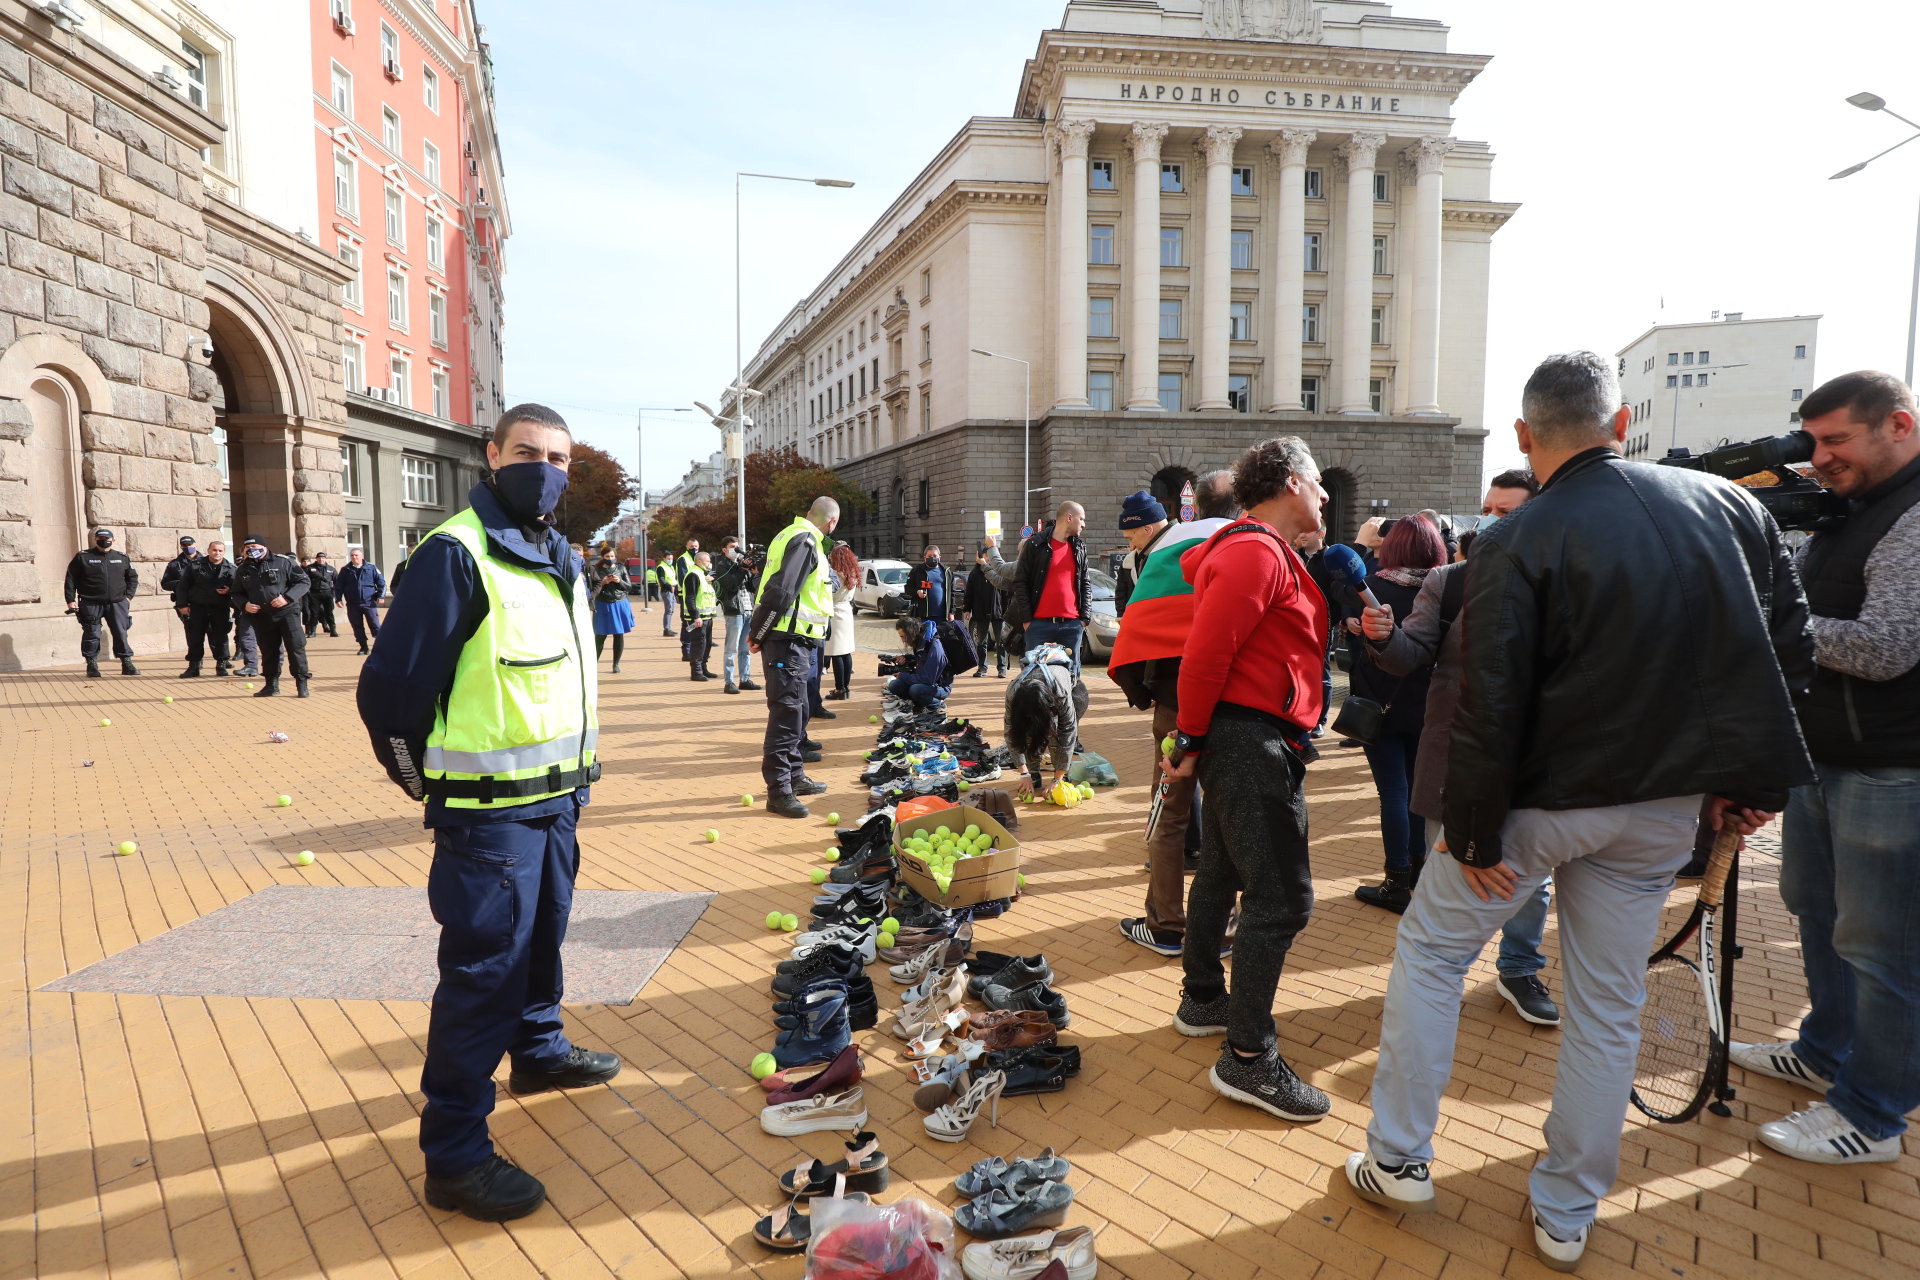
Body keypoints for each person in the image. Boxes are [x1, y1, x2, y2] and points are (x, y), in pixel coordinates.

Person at [1344, 352, 1814, 1272]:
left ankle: (1399, 1155)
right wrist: (1750, 786)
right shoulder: (1729, 509)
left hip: (1541, 802)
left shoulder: (1519, 537)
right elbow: (1780, 653)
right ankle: (1567, 1208)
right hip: (1661, 805)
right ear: (1624, 420)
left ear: (1526, 436)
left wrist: (1475, 831)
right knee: (1609, 1002)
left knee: (1435, 955)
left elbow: (1492, 698)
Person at [356, 403, 617, 1223]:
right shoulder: (456, 555)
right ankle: (456, 1155)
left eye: (560, 458)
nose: (546, 469)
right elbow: (391, 695)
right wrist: (425, 785)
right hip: (490, 819)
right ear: (491, 455)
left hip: (557, 802)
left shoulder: (557, 555)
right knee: (482, 978)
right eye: (529, 453)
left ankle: (537, 1050)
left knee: (543, 938)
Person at [1728, 370, 1920, 1166]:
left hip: (1891, 768)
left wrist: (1773, 622)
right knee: (1815, 909)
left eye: (1836, 440)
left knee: (1883, 947)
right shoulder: (1853, 510)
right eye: (1813, 441)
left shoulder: (1911, 516)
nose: (1819, 458)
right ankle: (1823, 1047)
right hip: (1825, 756)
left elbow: (1884, 647)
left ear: (1899, 426)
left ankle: (1872, 1113)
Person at [1158, 437, 1330, 1123]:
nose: (1324, 497)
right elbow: (1206, 654)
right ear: (1292, 482)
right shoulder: (1256, 550)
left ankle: (1204, 997)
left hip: (1242, 734)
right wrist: (1192, 738)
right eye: (1319, 485)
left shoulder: (1260, 551)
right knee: (1283, 899)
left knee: (1226, 871)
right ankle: (1249, 1058)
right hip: (1248, 737)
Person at [1357, 470, 1561, 1026]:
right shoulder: (1449, 580)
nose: (1494, 523)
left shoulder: (1564, 580)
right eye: (1488, 511)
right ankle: (1430, 972)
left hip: (1535, 764)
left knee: (1531, 883)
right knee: (1441, 876)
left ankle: (1519, 966)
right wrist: (1382, 636)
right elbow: (1410, 653)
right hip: (1452, 760)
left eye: (1509, 512)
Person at [1109, 479, 1239, 957]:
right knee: (1227, 817)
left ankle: (1165, 923)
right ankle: (1224, 927)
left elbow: (1138, 625)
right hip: (1237, 708)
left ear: (1193, 507)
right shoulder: (1253, 542)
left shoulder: (1168, 552)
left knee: (1168, 812)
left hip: (1177, 704)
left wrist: (1142, 694)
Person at [1337, 515, 1446, 912]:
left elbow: (1340, 583)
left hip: (1379, 703)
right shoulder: (1446, 587)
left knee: (1393, 793)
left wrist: (1361, 546)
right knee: (1419, 792)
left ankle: (1396, 880)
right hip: (1430, 704)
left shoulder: (1374, 586)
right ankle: (1419, 875)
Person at [750, 497, 839, 819]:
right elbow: (782, 590)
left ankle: (796, 777)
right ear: (831, 522)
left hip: (796, 640)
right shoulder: (804, 540)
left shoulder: (793, 535)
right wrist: (758, 632)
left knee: (799, 711)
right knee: (787, 716)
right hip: (787, 640)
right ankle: (779, 792)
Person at [991, 500, 1090, 676]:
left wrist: (1084, 619)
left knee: (1071, 678)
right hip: (1038, 626)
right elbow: (1020, 583)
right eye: (1081, 519)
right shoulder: (1035, 545)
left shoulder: (1079, 547)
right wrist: (1028, 620)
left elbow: (1085, 584)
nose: (1083, 524)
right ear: (1069, 518)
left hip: (1071, 626)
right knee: (1035, 678)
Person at [1005, 639, 1086, 800]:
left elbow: (1068, 735)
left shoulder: (1061, 695)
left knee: (1055, 734)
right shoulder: (1013, 693)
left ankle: (1062, 772)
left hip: (1073, 692)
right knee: (1026, 731)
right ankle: (1033, 773)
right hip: (1037, 700)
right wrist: (1024, 773)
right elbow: (1011, 733)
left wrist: (1057, 779)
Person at [234, 536, 311, 697]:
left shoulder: (283, 562)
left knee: (295, 648)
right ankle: (271, 685)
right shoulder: (243, 568)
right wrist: (244, 605)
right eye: (247, 547)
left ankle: (301, 685)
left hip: (287, 613)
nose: (250, 550)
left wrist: (287, 597)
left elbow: (303, 582)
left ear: (264, 547)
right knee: (269, 651)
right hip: (262, 616)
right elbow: (236, 593)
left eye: (254, 546)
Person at [64, 527, 140, 677]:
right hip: (91, 602)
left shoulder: (122, 557)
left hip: (117, 603)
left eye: (107, 539)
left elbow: (132, 578)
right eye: (101, 539)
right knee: (92, 634)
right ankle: (92, 665)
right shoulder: (83, 557)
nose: (104, 541)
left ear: (113, 540)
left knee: (120, 633)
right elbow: (71, 579)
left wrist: (128, 597)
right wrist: (70, 600)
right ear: (95, 540)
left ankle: (127, 663)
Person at [173, 539, 236, 677]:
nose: (217, 553)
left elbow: (238, 588)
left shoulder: (231, 568)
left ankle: (221, 665)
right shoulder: (195, 566)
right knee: (195, 637)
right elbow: (183, 587)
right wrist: (182, 605)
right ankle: (194, 666)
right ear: (208, 550)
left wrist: (229, 590)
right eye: (214, 550)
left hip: (219, 608)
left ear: (224, 552)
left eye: (220, 550)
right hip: (197, 607)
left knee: (220, 637)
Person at [714, 536, 761, 695]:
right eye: (732, 546)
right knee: (731, 648)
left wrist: (753, 571)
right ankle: (729, 682)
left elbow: (751, 587)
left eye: (737, 546)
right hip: (734, 611)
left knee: (745, 648)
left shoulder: (740, 564)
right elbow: (732, 586)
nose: (736, 549)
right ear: (724, 550)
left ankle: (745, 679)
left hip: (748, 609)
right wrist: (742, 569)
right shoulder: (722, 566)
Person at [1113, 490, 1169, 615]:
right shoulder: (1134, 560)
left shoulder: (1182, 552)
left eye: (1131, 539)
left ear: (1147, 529)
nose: (1131, 547)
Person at [962, 549, 1008, 678]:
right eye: (985, 556)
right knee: (981, 641)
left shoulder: (999, 571)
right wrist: (967, 609)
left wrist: (1006, 610)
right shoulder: (975, 573)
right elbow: (969, 593)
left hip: (998, 613)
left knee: (1001, 641)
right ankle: (982, 667)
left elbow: (1005, 593)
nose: (988, 559)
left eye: (989, 556)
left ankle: (1002, 667)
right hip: (980, 612)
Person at [885, 618, 951, 707]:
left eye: (904, 637)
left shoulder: (934, 647)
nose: (903, 640)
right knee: (894, 685)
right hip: (924, 683)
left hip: (939, 687)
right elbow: (921, 660)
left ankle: (938, 704)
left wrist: (903, 676)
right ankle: (918, 703)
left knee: (915, 689)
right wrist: (906, 659)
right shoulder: (920, 641)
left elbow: (928, 679)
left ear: (911, 633)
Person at [587, 548, 633, 672]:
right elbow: (591, 588)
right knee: (600, 635)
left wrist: (620, 581)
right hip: (603, 604)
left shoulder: (621, 568)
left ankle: (616, 664)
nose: (610, 558)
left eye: (612, 555)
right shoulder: (595, 570)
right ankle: (593, 664)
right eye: (607, 556)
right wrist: (602, 582)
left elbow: (629, 587)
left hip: (619, 603)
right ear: (602, 557)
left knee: (618, 634)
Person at [825, 541, 859, 699]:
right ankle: (846, 688)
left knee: (836, 653)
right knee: (846, 652)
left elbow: (829, 592)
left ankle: (840, 689)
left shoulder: (835, 573)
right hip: (846, 611)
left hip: (835, 611)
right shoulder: (852, 572)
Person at [336, 547, 386, 655]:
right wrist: (338, 598)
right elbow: (339, 586)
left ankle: (380, 647)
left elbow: (381, 583)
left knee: (375, 625)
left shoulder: (371, 568)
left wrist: (381, 596)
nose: (354, 557)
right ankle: (364, 647)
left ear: (362, 556)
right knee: (357, 626)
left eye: (356, 555)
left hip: (368, 602)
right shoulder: (345, 570)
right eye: (352, 555)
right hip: (352, 603)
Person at [682, 550, 718, 681]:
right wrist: (695, 616)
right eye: (707, 561)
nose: (710, 564)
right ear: (699, 562)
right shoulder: (693, 574)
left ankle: (703, 668)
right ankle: (696, 671)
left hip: (707, 616)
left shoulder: (702, 574)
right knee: (698, 643)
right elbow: (690, 597)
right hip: (698, 618)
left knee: (706, 643)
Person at [904, 545, 949, 621]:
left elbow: (952, 593)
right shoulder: (917, 571)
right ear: (925, 557)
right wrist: (917, 592)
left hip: (942, 615)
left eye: (935, 555)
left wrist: (951, 612)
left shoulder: (947, 572)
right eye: (929, 556)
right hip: (923, 615)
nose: (932, 558)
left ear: (939, 557)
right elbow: (907, 588)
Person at [675, 539, 701, 660]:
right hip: (686, 596)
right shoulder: (683, 559)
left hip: (699, 596)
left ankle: (697, 649)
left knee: (697, 622)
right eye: (691, 546)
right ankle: (686, 649)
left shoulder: (700, 558)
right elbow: (682, 579)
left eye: (696, 546)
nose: (694, 548)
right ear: (686, 547)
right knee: (687, 622)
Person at [305, 550, 339, 638]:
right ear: (316, 559)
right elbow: (304, 580)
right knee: (314, 613)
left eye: (323, 558)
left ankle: (333, 630)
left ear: (325, 559)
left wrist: (333, 592)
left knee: (329, 612)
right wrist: (308, 592)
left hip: (327, 593)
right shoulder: (309, 568)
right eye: (319, 558)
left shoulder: (331, 569)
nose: (321, 560)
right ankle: (312, 631)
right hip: (314, 593)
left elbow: (337, 582)